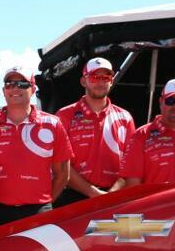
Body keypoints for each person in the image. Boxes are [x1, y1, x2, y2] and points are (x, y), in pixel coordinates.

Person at [0, 66, 72, 231]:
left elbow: (63, 174)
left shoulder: (53, 124)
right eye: (10, 83)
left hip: (37, 212)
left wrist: (44, 202)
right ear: (3, 90)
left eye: (22, 83)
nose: (15, 88)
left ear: (33, 88)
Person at [55, 58, 135, 207]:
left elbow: (131, 165)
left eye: (106, 77)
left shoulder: (125, 117)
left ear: (111, 81)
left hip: (114, 197)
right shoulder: (64, 115)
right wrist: (94, 193)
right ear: (83, 81)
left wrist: (111, 193)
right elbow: (60, 165)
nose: (100, 82)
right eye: (94, 77)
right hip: (73, 197)